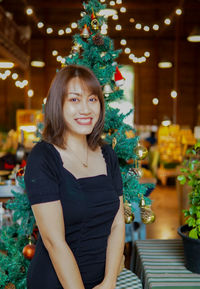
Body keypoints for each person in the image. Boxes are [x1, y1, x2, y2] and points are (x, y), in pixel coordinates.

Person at [24, 64, 125, 289]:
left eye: (92, 99)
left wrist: (109, 282)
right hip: (56, 282)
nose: (86, 109)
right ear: (57, 104)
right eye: (74, 99)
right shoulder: (43, 157)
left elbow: (118, 224)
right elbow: (54, 242)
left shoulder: (107, 155)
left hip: (102, 281)